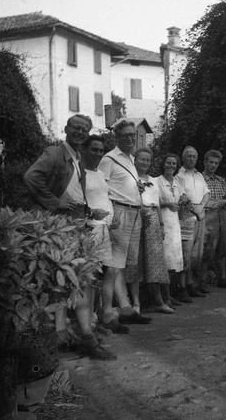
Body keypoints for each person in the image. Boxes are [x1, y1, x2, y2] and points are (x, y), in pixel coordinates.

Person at [24, 114, 116, 360]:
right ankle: (80, 336)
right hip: (59, 228)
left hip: (77, 226)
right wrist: (54, 203)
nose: (80, 132)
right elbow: (31, 177)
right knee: (69, 281)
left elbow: (76, 196)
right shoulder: (55, 153)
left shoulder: (77, 159)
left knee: (79, 280)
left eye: (84, 129)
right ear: (66, 128)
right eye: (76, 127)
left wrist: (89, 213)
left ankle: (75, 334)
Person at [98, 120, 151, 325]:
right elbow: (101, 189)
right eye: (126, 135)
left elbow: (122, 185)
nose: (130, 138)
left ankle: (125, 307)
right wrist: (110, 215)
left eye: (132, 135)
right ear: (117, 137)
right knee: (113, 265)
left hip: (134, 213)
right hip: (119, 213)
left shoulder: (130, 159)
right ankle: (110, 312)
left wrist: (137, 189)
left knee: (124, 264)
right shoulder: (109, 159)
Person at [82, 135, 129, 336]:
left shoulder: (99, 173)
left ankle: (104, 315)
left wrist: (113, 215)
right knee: (90, 276)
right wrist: (90, 213)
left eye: (101, 150)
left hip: (105, 228)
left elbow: (104, 196)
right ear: (84, 150)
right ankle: (91, 320)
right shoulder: (79, 172)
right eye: (94, 149)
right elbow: (76, 200)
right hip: (89, 228)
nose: (98, 153)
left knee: (109, 271)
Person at [134, 147, 174, 314]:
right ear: (135, 160)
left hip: (153, 221)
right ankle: (137, 303)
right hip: (136, 217)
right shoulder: (131, 177)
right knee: (136, 261)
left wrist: (161, 225)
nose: (145, 162)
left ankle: (158, 301)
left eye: (148, 160)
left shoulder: (153, 180)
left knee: (155, 261)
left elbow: (156, 204)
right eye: (142, 159)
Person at [176, 146, 210, 296]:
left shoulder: (199, 175)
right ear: (183, 158)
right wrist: (195, 210)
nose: (191, 158)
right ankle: (182, 287)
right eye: (189, 156)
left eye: (194, 156)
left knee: (197, 253)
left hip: (200, 214)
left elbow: (207, 193)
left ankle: (192, 284)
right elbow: (182, 196)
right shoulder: (179, 175)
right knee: (186, 253)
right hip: (186, 216)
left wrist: (201, 207)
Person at [202, 150, 226, 289]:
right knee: (207, 248)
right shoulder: (199, 179)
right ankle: (202, 281)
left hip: (222, 216)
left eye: (216, 163)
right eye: (211, 162)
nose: (213, 165)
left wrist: (223, 202)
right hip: (207, 216)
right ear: (205, 162)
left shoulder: (220, 180)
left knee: (223, 247)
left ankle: (222, 279)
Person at [157, 153, 189, 303]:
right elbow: (152, 202)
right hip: (162, 221)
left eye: (174, 164)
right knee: (165, 260)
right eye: (168, 163)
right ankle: (164, 297)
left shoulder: (177, 182)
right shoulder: (157, 181)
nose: (171, 166)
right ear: (163, 164)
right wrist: (167, 204)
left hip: (175, 224)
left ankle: (170, 294)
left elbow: (183, 198)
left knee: (174, 260)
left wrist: (184, 200)